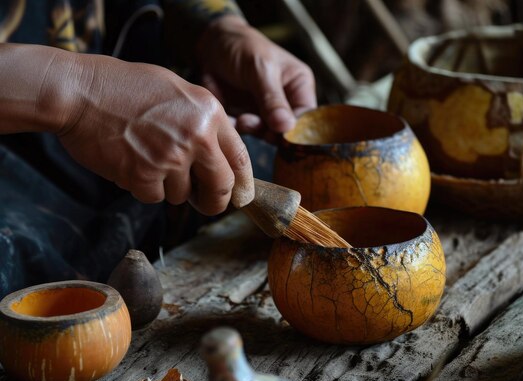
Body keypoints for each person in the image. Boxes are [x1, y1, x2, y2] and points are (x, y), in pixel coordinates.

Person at [0, 0, 316, 297]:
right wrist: (80, 92)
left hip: (140, 100)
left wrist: (216, 28)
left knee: (286, 165)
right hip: (18, 163)